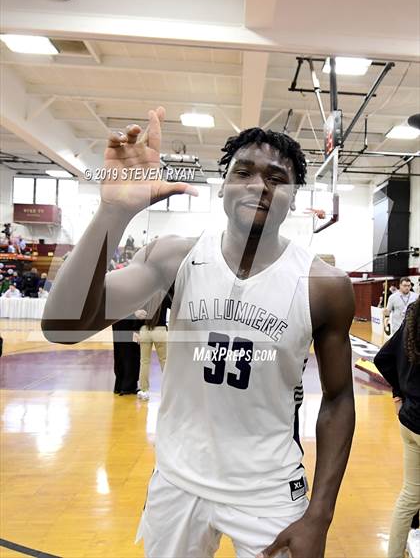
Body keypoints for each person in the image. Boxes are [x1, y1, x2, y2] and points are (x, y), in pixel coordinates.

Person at [42, 107, 355, 558]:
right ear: (223, 184)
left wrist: (320, 516)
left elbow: (339, 398)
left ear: (294, 194)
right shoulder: (173, 258)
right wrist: (112, 213)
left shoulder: (324, 285)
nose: (258, 185)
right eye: (243, 171)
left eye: (276, 177)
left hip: (268, 489)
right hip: (177, 479)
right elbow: (63, 326)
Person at [374, 298, 420, 558]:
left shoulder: (414, 313)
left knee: (410, 496)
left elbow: (383, 358)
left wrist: (399, 394)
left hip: (410, 420)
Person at [136, 291, 171, 401]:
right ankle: (168, 391)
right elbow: (174, 307)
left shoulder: (144, 295)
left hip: (145, 330)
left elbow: (138, 314)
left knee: (144, 362)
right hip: (160, 331)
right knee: (164, 361)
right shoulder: (165, 294)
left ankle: (144, 391)